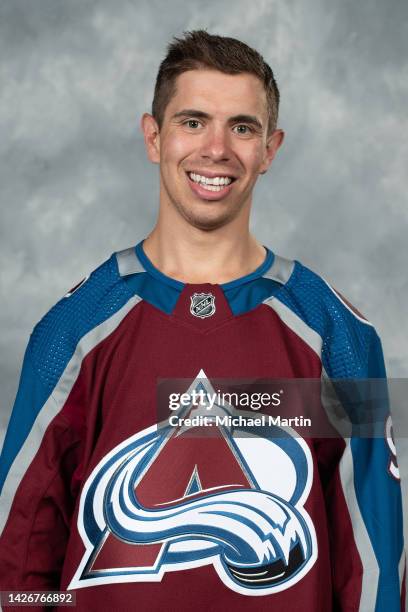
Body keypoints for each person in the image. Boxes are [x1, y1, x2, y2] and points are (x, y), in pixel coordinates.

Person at [0, 29, 404, 612]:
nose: (216, 149)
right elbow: (19, 553)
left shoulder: (338, 335)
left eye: (242, 127)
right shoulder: (74, 328)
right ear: (153, 137)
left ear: (270, 149)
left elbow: (375, 564)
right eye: (193, 122)